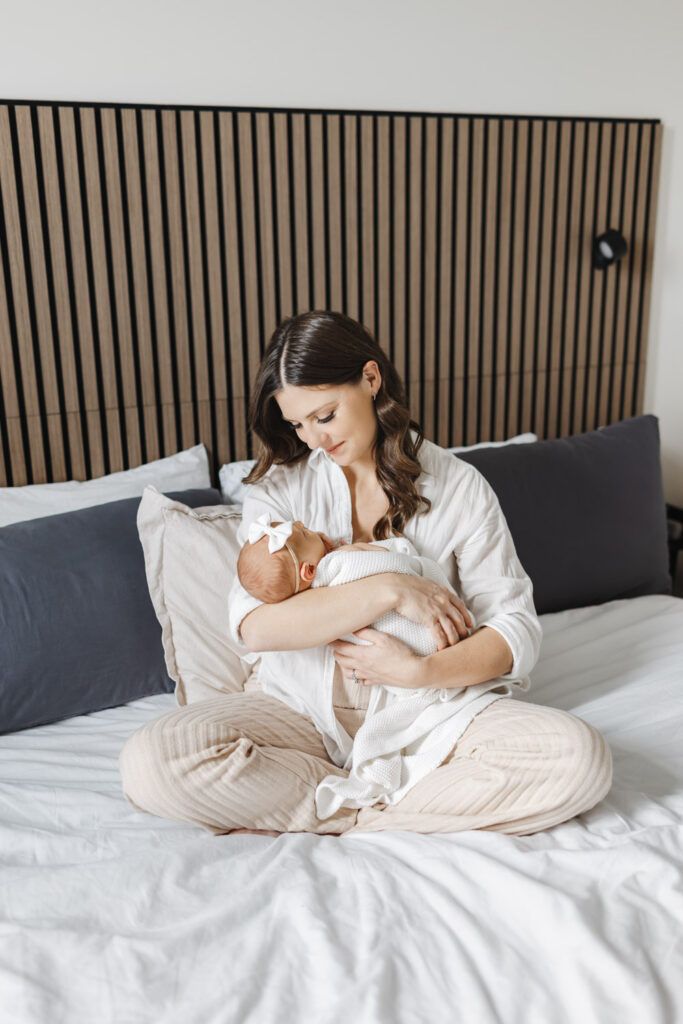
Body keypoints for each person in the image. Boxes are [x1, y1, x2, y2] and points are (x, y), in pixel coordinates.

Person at [118, 310, 613, 838]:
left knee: (579, 758)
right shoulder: (279, 490)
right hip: (298, 712)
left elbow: (515, 631)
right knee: (152, 761)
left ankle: (359, 813)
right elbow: (255, 625)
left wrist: (419, 673)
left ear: (371, 379)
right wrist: (389, 589)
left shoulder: (460, 486)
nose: (314, 440)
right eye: (297, 424)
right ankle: (368, 808)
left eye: (325, 415)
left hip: (427, 712)